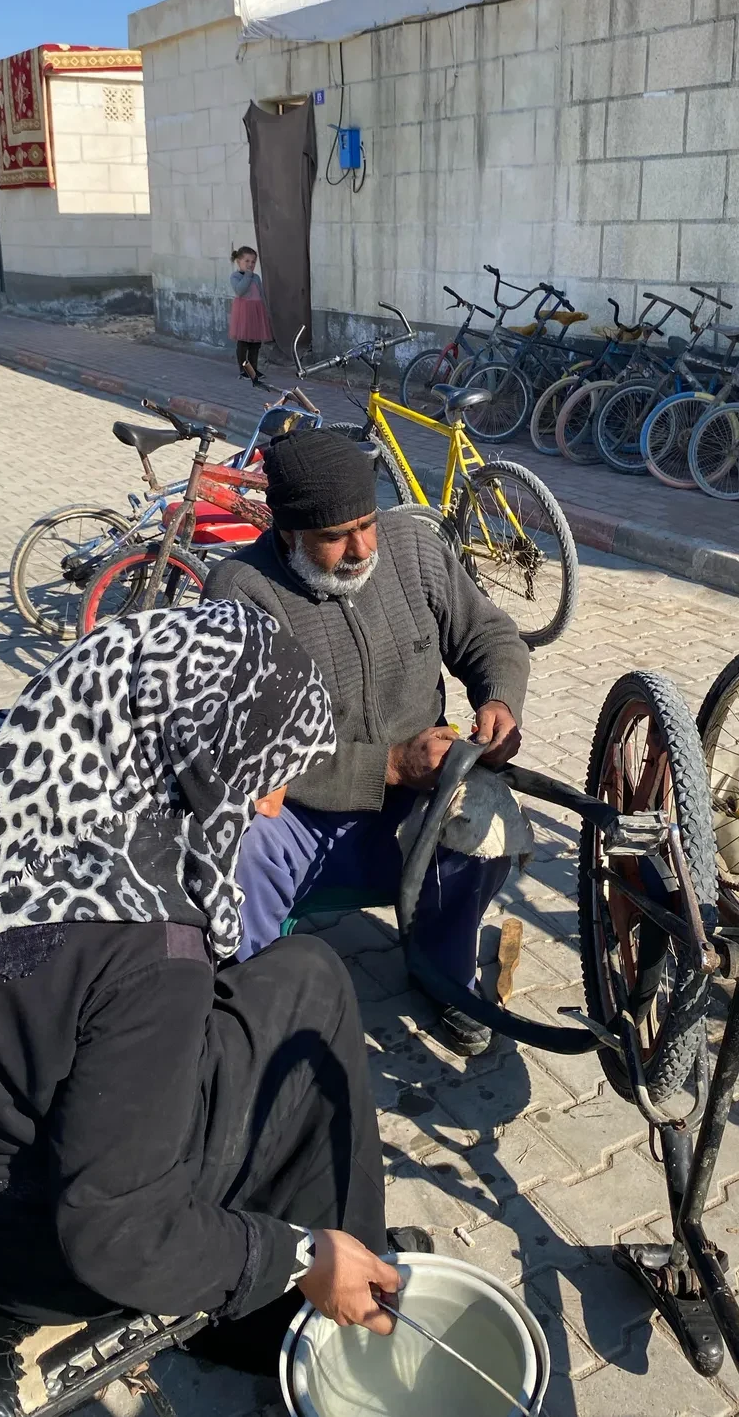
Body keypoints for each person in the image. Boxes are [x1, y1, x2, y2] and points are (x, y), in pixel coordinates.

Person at [0, 603, 412, 1367]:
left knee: (270, 980)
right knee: (311, 980)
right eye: (264, 774)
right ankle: (317, 1291)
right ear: (195, 750)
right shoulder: (147, 946)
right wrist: (298, 1254)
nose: (270, 804)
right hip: (27, 1254)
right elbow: (117, 1238)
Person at [204, 429, 530, 1058]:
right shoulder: (240, 589)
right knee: (237, 849)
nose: (360, 549)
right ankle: (250, 1016)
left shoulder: (413, 548)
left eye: (366, 523)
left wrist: (498, 702)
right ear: (289, 532)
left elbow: (492, 636)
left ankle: (443, 969)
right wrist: (386, 765)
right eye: (334, 536)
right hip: (301, 819)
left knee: (489, 827)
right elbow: (244, 750)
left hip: (419, 807)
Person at [228, 243, 273, 384]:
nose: (250, 264)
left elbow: (261, 294)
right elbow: (240, 291)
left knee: (255, 344)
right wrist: (247, 275)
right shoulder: (235, 276)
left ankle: (253, 368)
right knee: (244, 343)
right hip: (244, 312)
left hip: (256, 311)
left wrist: (265, 311)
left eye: (253, 262)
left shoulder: (256, 277)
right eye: (247, 261)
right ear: (238, 261)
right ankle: (243, 370)